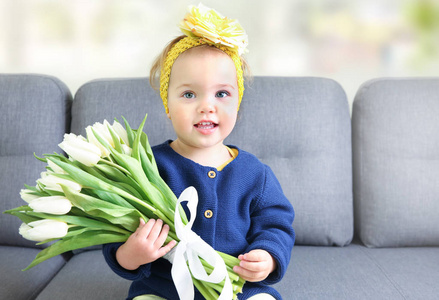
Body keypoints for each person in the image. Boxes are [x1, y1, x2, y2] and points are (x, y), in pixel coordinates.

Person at [103, 4, 295, 300]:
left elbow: (276, 224)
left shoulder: (255, 174)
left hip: (237, 288)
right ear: (168, 105)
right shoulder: (147, 167)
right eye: (189, 94)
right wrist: (131, 254)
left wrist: (267, 256)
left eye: (222, 94)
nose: (207, 105)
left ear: (237, 103)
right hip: (163, 289)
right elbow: (118, 228)